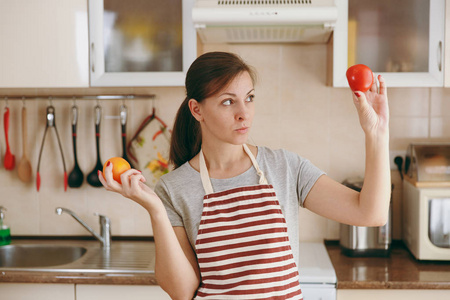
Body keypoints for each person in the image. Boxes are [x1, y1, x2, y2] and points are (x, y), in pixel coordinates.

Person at [99, 51, 390, 300]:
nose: (244, 113)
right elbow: (182, 291)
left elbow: (371, 213)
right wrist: (155, 210)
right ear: (196, 109)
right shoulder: (174, 188)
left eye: (249, 98)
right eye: (228, 102)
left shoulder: (284, 167)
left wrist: (376, 134)